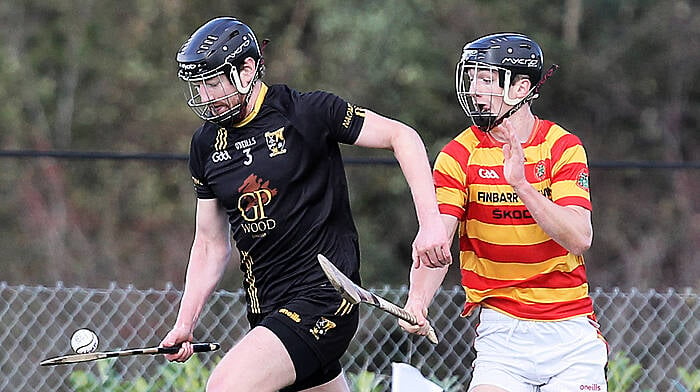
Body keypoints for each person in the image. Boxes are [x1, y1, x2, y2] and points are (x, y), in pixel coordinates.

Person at [159, 17, 451, 392]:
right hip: (267, 309)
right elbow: (210, 245)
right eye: (198, 87)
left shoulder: (306, 112)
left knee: (225, 387)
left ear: (247, 70)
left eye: (213, 84)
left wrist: (430, 224)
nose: (204, 97)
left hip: (325, 298)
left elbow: (403, 136)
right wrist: (185, 322)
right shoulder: (205, 146)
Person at [400, 33, 609, 391]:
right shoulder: (457, 154)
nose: (474, 89)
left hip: (569, 331)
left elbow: (579, 237)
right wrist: (418, 300)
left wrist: (523, 185)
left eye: (485, 79)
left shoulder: (562, 146)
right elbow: (438, 242)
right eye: (471, 78)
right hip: (502, 335)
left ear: (521, 87)